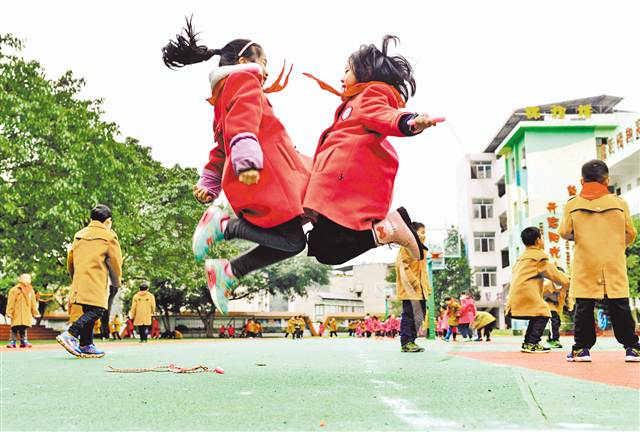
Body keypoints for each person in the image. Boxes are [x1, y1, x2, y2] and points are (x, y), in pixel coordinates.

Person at [163, 18, 310, 316]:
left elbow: (221, 145)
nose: (267, 70)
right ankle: (224, 227)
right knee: (313, 211)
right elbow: (242, 126)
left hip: (260, 172)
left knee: (294, 242)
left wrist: (209, 183)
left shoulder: (224, 95)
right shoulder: (245, 82)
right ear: (244, 61)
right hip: (267, 174)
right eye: (264, 62)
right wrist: (247, 162)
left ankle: (229, 272)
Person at [303, 35, 441, 267]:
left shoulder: (371, 95)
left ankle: (391, 228)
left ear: (365, 72)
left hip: (343, 186)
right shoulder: (354, 102)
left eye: (347, 70)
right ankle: (387, 228)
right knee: (322, 247)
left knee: (327, 250)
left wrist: (412, 122)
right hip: (332, 183)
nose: (341, 76)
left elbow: (386, 116)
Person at [559, 160, 639, 362]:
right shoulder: (619, 203)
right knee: (619, 303)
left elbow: (564, 232)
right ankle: (632, 348)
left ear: (581, 180)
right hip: (613, 261)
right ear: (607, 180)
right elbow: (630, 233)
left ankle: (581, 349)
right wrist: (618, 246)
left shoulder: (573, 204)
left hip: (586, 261)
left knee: (584, 305)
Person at [56, 205, 123, 358]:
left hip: (80, 278)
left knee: (88, 310)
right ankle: (70, 334)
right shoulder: (109, 236)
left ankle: (86, 344)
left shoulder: (79, 234)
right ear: (108, 221)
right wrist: (116, 281)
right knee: (98, 309)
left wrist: (75, 277)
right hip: (97, 278)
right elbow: (115, 262)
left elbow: (70, 259)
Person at [506, 227, 570, 353]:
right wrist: (567, 281)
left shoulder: (523, 257)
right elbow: (553, 273)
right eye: (542, 237)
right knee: (544, 311)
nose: (543, 240)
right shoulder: (538, 258)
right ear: (537, 240)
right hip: (526, 292)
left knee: (536, 313)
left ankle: (528, 342)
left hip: (518, 292)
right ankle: (532, 342)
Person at [395, 222, 430, 352]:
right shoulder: (407, 247)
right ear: (413, 232)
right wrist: (414, 283)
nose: (424, 235)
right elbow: (402, 266)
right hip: (410, 289)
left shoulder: (422, 250)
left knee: (420, 316)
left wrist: (427, 287)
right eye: (422, 232)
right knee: (409, 314)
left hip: (421, 290)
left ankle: (412, 341)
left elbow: (423, 271)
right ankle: (406, 342)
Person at [5, 274, 39, 348]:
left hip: (25, 313)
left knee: (23, 328)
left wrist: (35, 312)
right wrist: (9, 312)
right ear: (20, 279)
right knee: (14, 328)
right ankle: (12, 341)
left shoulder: (31, 290)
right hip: (16, 313)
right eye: (25, 278)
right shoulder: (14, 290)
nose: (27, 279)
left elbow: (33, 303)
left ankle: (24, 341)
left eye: (29, 278)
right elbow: (10, 302)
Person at [542, 267, 570, 349]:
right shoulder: (546, 285)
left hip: (556, 305)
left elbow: (568, 296)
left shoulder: (565, 285)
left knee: (557, 322)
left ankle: (550, 337)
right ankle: (554, 339)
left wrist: (569, 305)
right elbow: (537, 294)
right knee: (553, 319)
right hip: (546, 303)